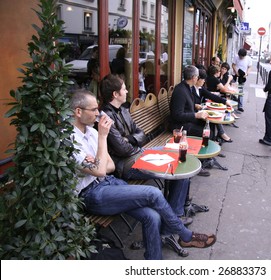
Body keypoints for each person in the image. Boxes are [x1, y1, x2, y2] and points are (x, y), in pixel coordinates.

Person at [70, 89, 216, 260]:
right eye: (93, 110)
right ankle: (185, 235)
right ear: (78, 111)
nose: (97, 113)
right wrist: (103, 139)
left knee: (152, 216)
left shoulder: (92, 132)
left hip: (109, 183)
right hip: (91, 194)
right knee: (152, 193)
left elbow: (108, 166)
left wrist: (97, 160)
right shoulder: (71, 139)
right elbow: (101, 169)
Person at [99, 74, 192, 226]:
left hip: (139, 152)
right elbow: (122, 150)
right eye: (124, 89)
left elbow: (142, 134)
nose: (127, 91)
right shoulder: (105, 117)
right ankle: (175, 217)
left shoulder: (123, 110)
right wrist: (133, 143)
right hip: (126, 164)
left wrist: (129, 139)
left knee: (179, 154)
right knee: (178, 168)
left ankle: (177, 207)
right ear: (115, 94)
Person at [193, 69, 233, 143]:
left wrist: (225, 101)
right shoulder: (191, 89)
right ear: (197, 79)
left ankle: (216, 138)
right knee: (211, 122)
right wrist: (195, 106)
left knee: (213, 116)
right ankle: (215, 139)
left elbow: (211, 95)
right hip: (194, 116)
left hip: (199, 112)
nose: (204, 81)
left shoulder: (200, 88)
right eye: (203, 79)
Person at [169, 65, 208, 137]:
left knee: (208, 125)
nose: (198, 79)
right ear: (193, 78)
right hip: (179, 126)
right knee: (207, 132)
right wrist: (196, 115)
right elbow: (177, 115)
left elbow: (184, 105)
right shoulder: (180, 91)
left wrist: (195, 106)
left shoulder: (187, 87)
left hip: (187, 122)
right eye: (197, 77)